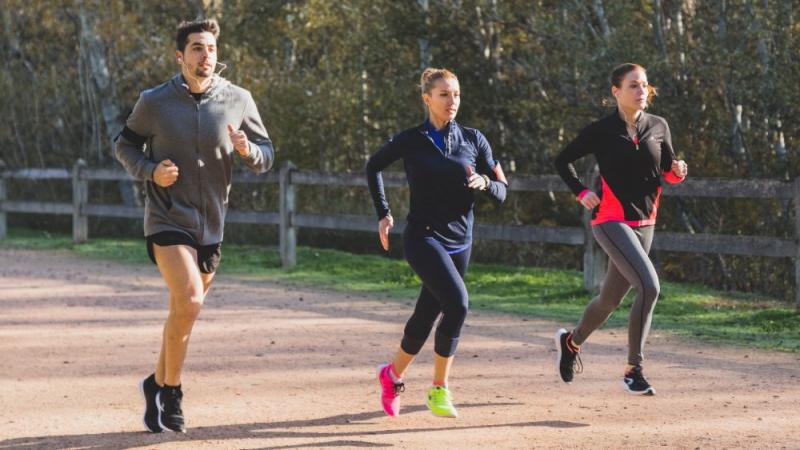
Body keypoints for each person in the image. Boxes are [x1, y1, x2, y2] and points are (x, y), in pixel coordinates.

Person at [114, 19, 274, 432]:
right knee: (190, 298)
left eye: (211, 48)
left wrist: (248, 150)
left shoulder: (238, 99)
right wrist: (151, 171)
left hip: (212, 225)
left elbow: (267, 153)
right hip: (167, 218)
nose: (206, 56)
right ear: (180, 56)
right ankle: (172, 392)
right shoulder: (155, 101)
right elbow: (125, 144)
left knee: (182, 312)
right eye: (197, 48)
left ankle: (154, 383)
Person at [366, 68, 507, 418]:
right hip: (423, 236)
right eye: (444, 95)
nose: (452, 101)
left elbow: (504, 189)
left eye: (456, 94)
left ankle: (392, 374)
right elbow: (373, 167)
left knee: (426, 315)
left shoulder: (475, 139)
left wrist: (486, 184)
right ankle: (439, 389)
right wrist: (384, 213)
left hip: (462, 242)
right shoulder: (411, 139)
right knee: (457, 304)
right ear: (427, 98)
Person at [553, 63, 688, 395]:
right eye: (633, 86)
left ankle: (571, 342)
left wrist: (679, 172)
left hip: (646, 224)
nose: (642, 91)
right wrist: (581, 191)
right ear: (617, 92)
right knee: (650, 286)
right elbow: (562, 160)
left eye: (644, 85)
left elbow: (667, 172)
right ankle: (633, 369)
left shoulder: (659, 126)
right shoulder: (601, 130)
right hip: (611, 221)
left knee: (609, 300)